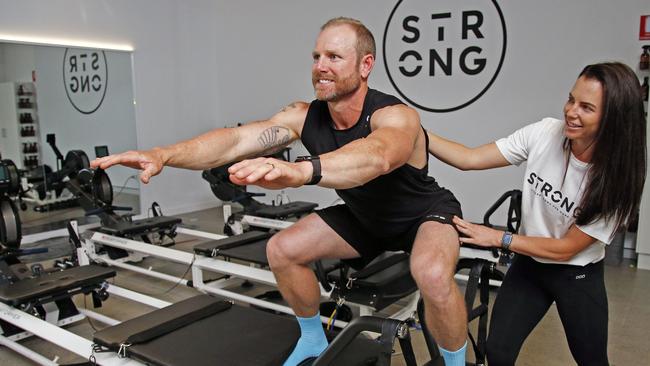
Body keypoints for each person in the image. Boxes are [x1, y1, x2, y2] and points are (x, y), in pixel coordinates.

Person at [92, 17, 469, 366]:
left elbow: (379, 157)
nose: (321, 66)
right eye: (317, 56)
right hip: (365, 218)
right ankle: (313, 338)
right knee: (282, 250)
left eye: (334, 57)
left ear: (365, 65)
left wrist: (300, 171)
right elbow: (234, 140)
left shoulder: (395, 115)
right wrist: (163, 154)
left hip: (421, 215)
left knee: (432, 275)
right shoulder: (303, 115)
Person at [426, 62, 647, 365]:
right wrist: (417, 133)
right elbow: (470, 158)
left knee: (592, 360)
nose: (571, 111)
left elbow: (567, 247)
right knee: (498, 351)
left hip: (576, 275)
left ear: (613, 118)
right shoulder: (545, 133)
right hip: (529, 266)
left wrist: (499, 238)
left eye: (586, 107)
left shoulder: (616, 178)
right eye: (571, 99)